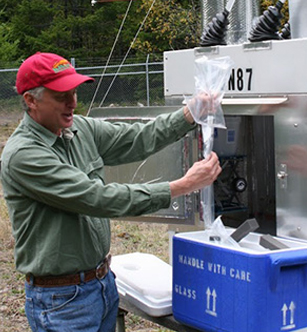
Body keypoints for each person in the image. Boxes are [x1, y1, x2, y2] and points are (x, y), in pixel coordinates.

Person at [0, 52, 222, 332]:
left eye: (74, 92)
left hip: (102, 285)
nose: (72, 103)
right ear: (31, 101)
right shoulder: (24, 155)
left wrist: (189, 114)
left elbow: (137, 139)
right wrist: (182, 187)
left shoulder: (78, 129)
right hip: (62, 302)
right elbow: (97, 198)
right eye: (60, 96)